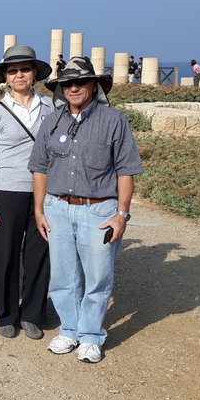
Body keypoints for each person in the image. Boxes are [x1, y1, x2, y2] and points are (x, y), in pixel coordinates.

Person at [30, 57, 143, 363]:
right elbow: (39, 167)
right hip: (57, 208)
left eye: (80, 82)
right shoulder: (51, 122)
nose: (74, 87)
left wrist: (122, 214)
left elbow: (126, 170)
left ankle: (91, 335)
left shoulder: (113, 120)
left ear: (94, 85)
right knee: (63, 276)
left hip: (99, 210)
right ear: (61, 88)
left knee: (98, 276)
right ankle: (69, 329)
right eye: (67, 83)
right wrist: (39, 209)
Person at [0, 46, 54, 339]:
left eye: (25, 69)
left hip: (44, 192)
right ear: (6, 78)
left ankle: (33, 314)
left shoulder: (51, 107)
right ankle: (6, 314)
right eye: (13, 71)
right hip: (7, 190)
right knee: (6, 255)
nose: (19, 75)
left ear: (34, 73)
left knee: (39, 254)